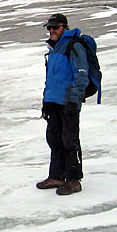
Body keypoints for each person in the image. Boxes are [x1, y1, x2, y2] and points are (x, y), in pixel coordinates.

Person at [36, 13, 89, 195]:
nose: (51, 30)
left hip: (68, 103)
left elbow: (82, 76)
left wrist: (74, 100)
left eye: (55, 27)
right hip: (54, 102)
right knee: (54, 139)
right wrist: (46, 102)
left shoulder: (74, 47)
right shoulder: (54, 49)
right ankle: (57, 176)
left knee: (69, 140)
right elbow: (50, 79)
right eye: (49, 27)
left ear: (64, 27)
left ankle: (74, 180)